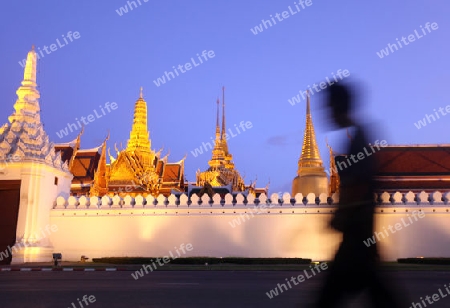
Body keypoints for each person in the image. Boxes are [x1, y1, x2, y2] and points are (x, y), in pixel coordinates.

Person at [313, 82, 405, 307]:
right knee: (379, 296)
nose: (327, 113)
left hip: (356, 239)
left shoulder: (359, 140)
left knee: (328, 298)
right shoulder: (358, 137)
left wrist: (338, 217)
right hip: (359, 240)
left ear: (339, 106)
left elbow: (358, 187)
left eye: (330, 107)